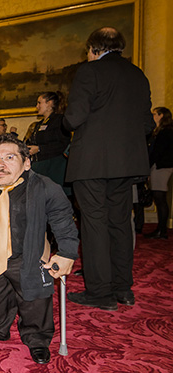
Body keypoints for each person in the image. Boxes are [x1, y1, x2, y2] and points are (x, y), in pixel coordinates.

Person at [0, 134, 78, 364]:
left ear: (26, 162)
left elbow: (62, 221)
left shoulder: (43, 187)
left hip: (27, 259)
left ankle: (37, 338)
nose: (0, 165)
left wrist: (67, 252)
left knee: (34, 301)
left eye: (9, 157)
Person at [64, 27, 154, 310]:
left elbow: (73, 118)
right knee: (119, 223)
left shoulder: (89, 72)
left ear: (94, 49)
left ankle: (100, 293)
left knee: (94, 225)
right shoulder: (138, 75)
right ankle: (123, 289)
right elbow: (148, 124)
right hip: (126, 163)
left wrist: (65, 122)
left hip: (92, 162)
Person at [25, 92, 71, 189]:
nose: (37, 106)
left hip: (54, 168)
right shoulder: (39, 124)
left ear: (49, 103)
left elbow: (62, 144)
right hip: (40, 166)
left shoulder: (60, 120)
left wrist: (40, 148)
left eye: (39, 103)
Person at [145, 107, 173, 239]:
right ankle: (161, 230)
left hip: (161, 167)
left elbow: (157, 153)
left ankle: (162, 230)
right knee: (159, 198)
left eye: (154, 114)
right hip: (160, 166)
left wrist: (148, 168)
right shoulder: (160, 131)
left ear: (161, 115)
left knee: (160, 198)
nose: (152, 116)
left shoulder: (165, 132)